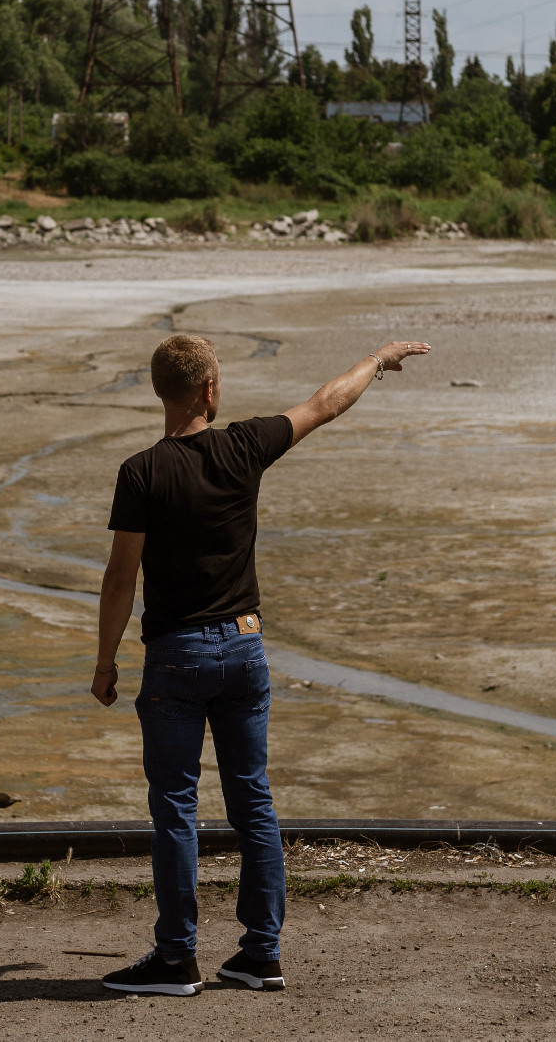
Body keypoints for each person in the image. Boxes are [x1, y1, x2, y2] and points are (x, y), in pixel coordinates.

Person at [91, 333, 432, 996]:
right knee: (253, 797)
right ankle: (260, 952)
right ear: (211, 390)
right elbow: (326, 403)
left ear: (163, 392)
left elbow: (118, 578)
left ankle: (176, 956)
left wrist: (104, 661)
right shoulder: (245, 445)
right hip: (244, 646)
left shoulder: (141, 472)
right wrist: (375, 361)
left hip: (175, 655)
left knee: (176, 808)